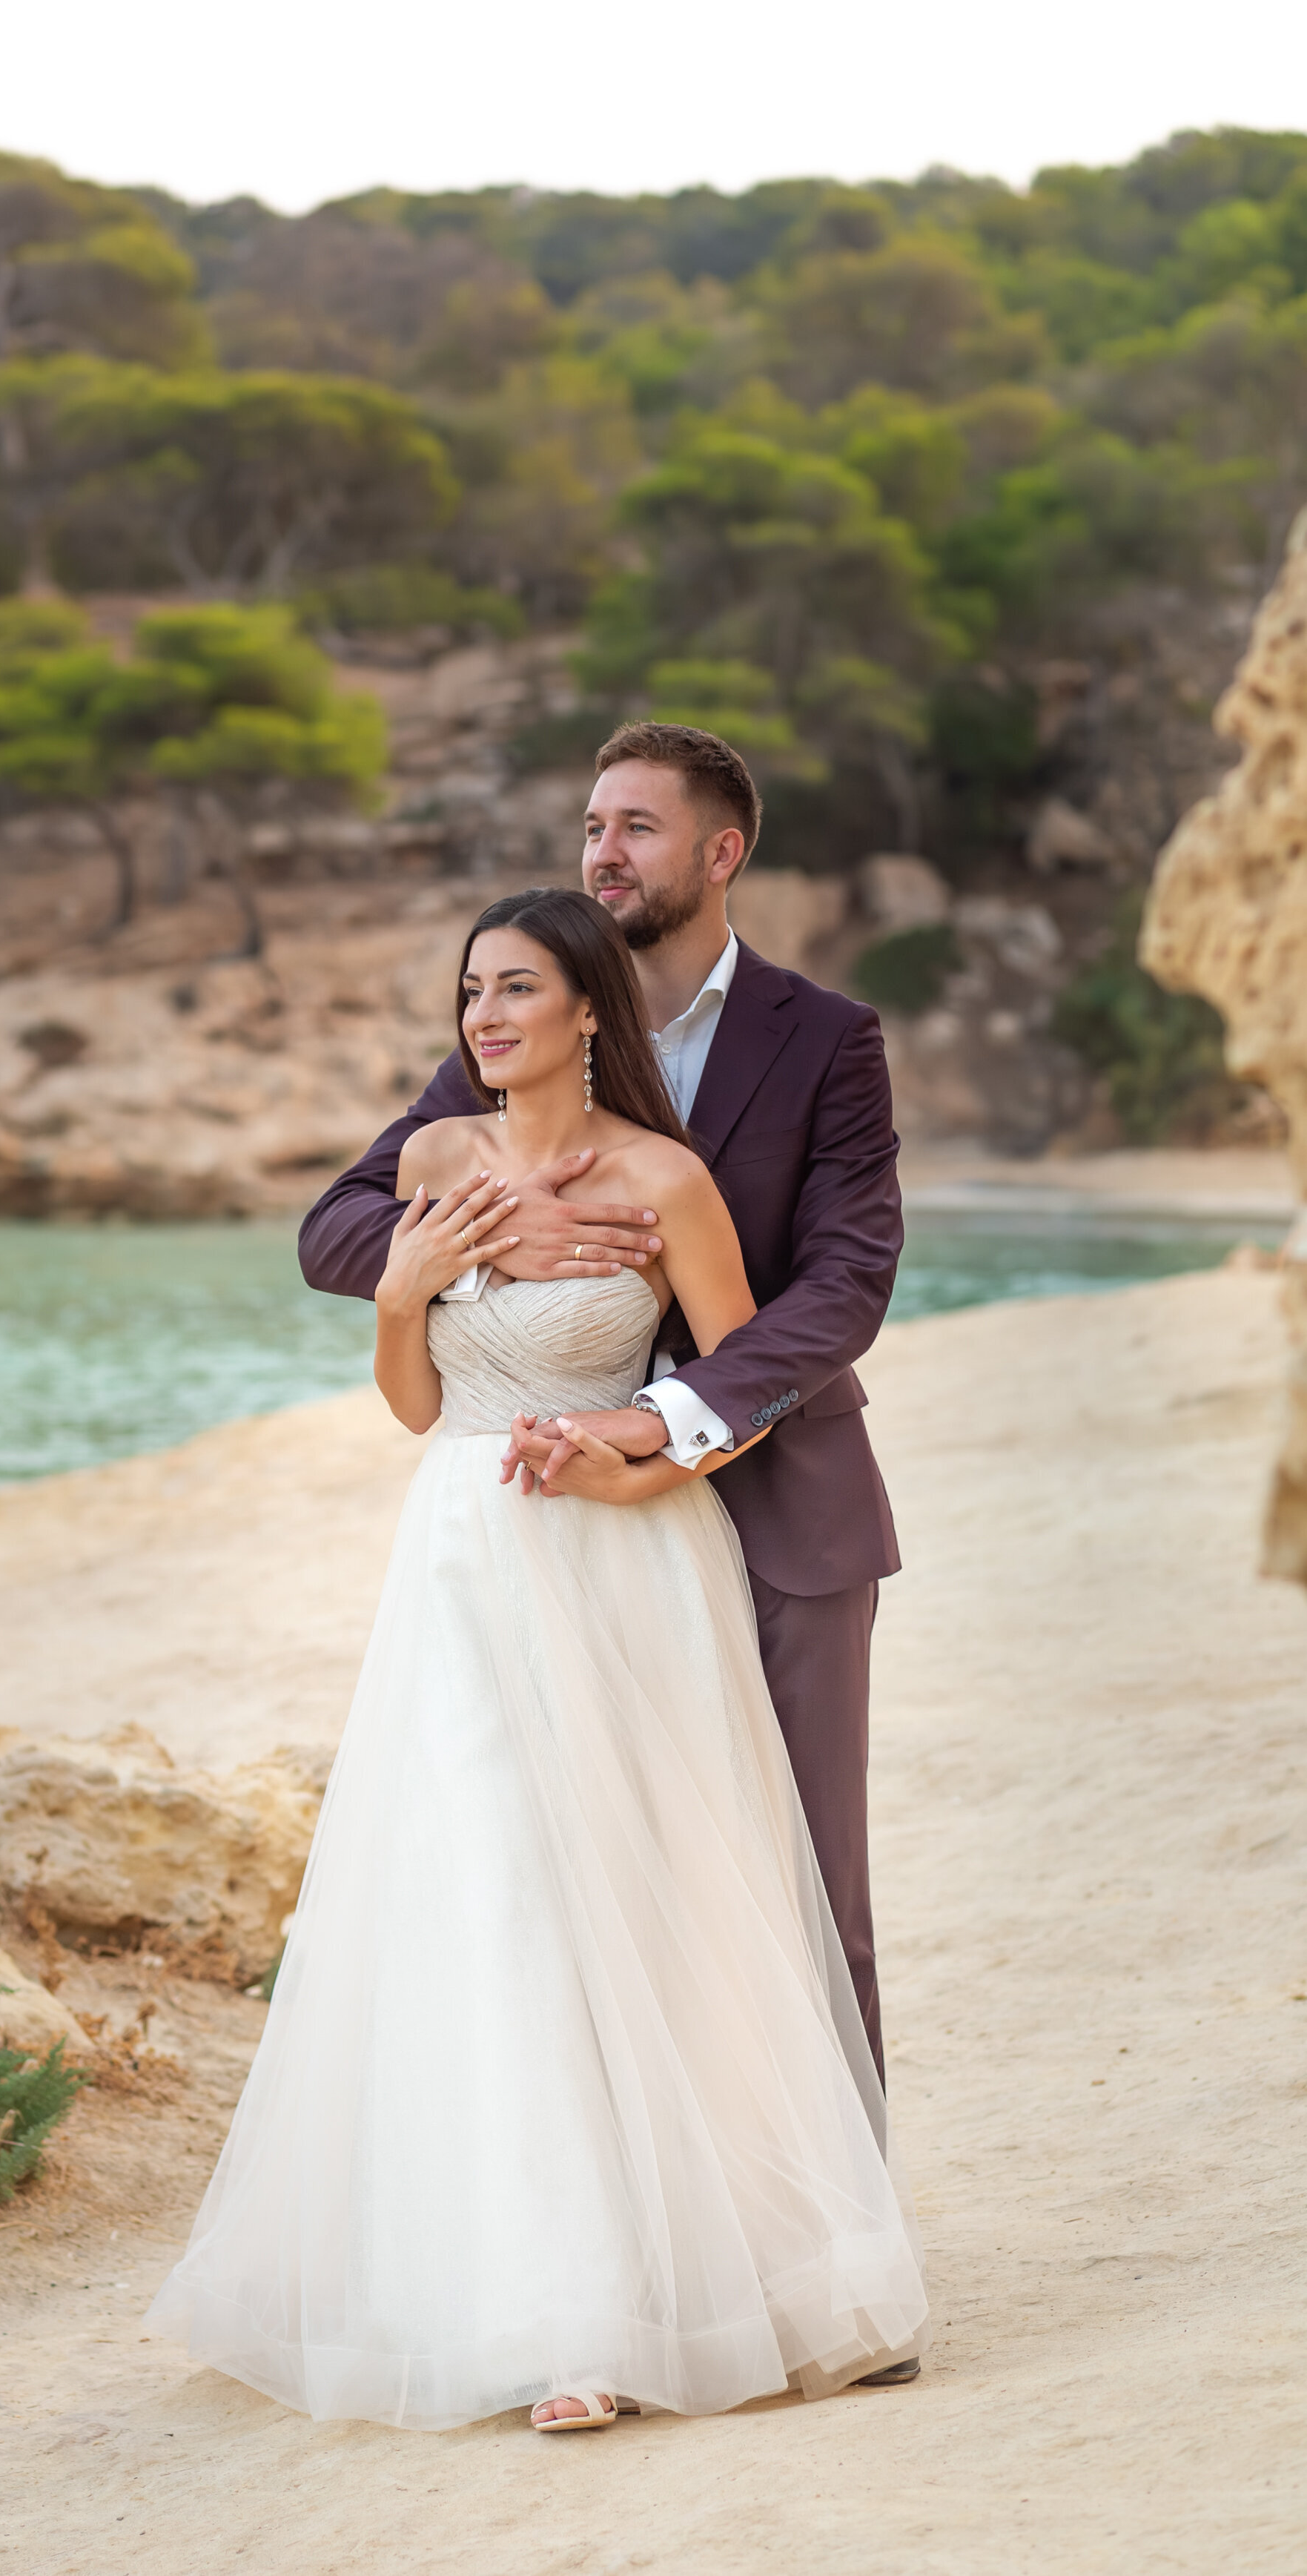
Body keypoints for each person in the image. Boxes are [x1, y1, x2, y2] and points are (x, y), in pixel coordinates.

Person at [148, 885, 927, 2432]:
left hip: (624, 1560)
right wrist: (405, 1288)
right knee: (485, 1893)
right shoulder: (433, 1164)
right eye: (469, 994)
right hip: (459, 1554)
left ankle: (707, 2277)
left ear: (589, 1009)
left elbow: (740, 1379)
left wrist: (639, 1460)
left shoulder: (668, 1181)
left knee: (642, 1899)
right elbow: (417, 1405)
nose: (483, 1018)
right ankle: (551, 2312)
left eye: (515, 991)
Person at [300, 722, 904, 2103]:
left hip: (779, 1512)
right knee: (562, 1880)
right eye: (590, 826)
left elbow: (846, 1281)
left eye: (634, 826)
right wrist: (493, 1242)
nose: (602, 850)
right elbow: (338, 1227)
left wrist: (673, 1417)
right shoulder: (528, 1019)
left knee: (796, 1883)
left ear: (719, 851)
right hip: (551, 1529)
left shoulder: (825, 1040)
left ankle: (842, 2262)